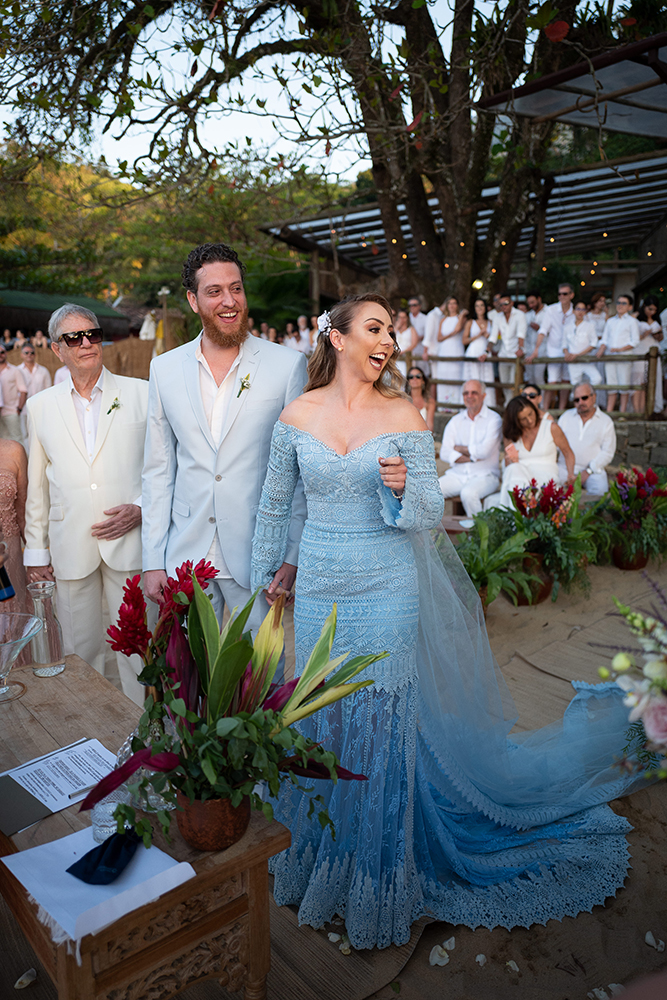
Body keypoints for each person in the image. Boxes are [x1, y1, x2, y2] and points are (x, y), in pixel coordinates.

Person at [250, 291, 646, 951]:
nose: (385, 342)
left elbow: (431, 512)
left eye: (392, 333)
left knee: (380, 717)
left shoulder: (403, 412)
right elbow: (273, 503)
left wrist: (406, 487)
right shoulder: (295, 413)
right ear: (338, 337)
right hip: (320, 587)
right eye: (373, 329)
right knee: (327, 711)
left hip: (388, 586)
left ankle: (380, 873)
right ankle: (330, 852)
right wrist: (270, 571)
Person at [142, 242, 308, 639]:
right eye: (214, 291)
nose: (229, 301)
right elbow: (159, 470)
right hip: (185, 554)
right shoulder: (163, 370)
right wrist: (152, 560)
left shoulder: (287, 366)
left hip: (259, 558)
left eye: (236, 288)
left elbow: (299, 471)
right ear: (193, 300)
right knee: (189, 685)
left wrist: (292, 554)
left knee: (261, 685)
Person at [23, 303, 148, 703]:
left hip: (129, 544)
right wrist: (35, 554)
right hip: (69, 546)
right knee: (81, 649)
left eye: (92, 334)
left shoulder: (141, 393)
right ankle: (93, 734)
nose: (86, 343)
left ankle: (144, 734)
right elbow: (37, 487)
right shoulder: (39, 407)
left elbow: (164, 467)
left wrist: (141, 506)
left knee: (137, 651)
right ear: (57, 349)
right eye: (73, 337)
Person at [490, 394, 575, 509]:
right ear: (515, 421)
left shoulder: (551, 427)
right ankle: (521, 517)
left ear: (535, 410)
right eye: (523, 419)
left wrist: (570, 474)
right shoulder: (511, 434)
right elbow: (508, 467)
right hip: (520, 478)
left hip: (545, 479)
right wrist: (512, 461)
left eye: (530, 414)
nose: (529, 420)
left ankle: (515, 520)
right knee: (514, 469)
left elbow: (568, 452)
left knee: (515, 479)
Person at [438, 379, 502, 516]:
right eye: (466, 393)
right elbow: (444, 452)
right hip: (458, 475)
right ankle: (432, 534)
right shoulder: (455, 421)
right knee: (430, 491)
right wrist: (473, 458)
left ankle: (480, 535)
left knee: (468, 494)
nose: (469, 396)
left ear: (484, 396)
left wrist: (459, 449)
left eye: (474, 393)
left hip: (485, 475)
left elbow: (484, 451)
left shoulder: (494, 419)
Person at [557, 383, 616, 495]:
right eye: (576, 400)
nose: (581, 403)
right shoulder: (565, 417)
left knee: (600, 492)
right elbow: (554, 444)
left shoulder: (606, 422)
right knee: (547, 484)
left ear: (594, 397)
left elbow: (608, 452)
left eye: (584, 398)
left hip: (592, 471)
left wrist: (588, 471)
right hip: (564, 469)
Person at [529, 283, 575, 411]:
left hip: (569, 351)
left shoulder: (576, 311)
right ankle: (545, 410)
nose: (561, 296)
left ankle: (561, 410)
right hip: (553, 350)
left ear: (571, 295)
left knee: (566, 382)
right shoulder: (552, 310)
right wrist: (536, 349)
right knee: (552, 382)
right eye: (559, 294)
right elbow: (543, 330)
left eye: (565, 294)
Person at [596, 293, 640, 414]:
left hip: (624, 358)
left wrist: (620, 350)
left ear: (630, 307)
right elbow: (604, 339)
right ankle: (610, 412)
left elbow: (635, 341)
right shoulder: (610, 321)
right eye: (619, 302)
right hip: (610, 357)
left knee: (623, 386)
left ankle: (622, 413)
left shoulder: (632, 321)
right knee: (611, 385)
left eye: (623, 303)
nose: (620, 305)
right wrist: (601, 348)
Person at [0, 436, 28, 614]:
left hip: (10, 557)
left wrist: (39, 559)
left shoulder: (14, 450)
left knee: (14, 626)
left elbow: (23, 511)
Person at [425, 295, 467, 406]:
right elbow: (439, 338)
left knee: (455, 375)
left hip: (456, 348)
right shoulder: (443, 319)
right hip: (444, 349)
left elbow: (457, 329)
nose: (452, 306)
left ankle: (455, 404)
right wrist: (449, 335)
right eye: (450, 303)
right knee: (443, 375)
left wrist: (462, 315)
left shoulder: (461, 318)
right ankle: (444, 403)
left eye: (454, 303)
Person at [487, 292, 526, 404]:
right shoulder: (497, 317)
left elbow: (521, 334)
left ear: (511, 303)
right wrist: (486, 351)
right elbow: (493, 336)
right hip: (503, 354)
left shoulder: (519, 315)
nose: (503, 306)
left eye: (506, 303)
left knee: (514, 384)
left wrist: (521, 349)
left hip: (516, 355)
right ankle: (509, 405)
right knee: (504, 384)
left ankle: (512, 405)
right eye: (501, 304)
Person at [633, 295, 664, 415]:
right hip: (640, 349)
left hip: (653, 349)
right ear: (644, 306)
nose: (652, 312)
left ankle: (650, 407)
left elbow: (661, 338)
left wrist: (657, 332)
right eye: (650, 309)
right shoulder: (635, 318)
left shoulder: (656, 320)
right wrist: (644, 334)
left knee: (651, 380)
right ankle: (637, 410)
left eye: (654, 310)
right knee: (639, 380)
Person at [18, 342, 52, 446]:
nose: (29, 355)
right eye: (26, 352)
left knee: (40, 434)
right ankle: (27, 460)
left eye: (32, 353)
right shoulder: (17, 370)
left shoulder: (43, 371)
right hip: (23, 409)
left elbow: (48, 390)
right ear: (21, 354)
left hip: (40, 409)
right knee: (24, 435)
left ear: (35, 355)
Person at [563, 300, 601, 389]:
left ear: (585, 312)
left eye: (583, 309)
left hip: (586, 359)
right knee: (575, 385)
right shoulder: (567, 327)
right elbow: (564, 344)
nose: (580, 312)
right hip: (573, 361)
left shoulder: (590, 326)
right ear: (573, 311)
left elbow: (593, 343)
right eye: (578, 309)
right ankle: (579, 400)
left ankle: (589, 396)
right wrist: (566, 353)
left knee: (597, 379)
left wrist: (578, 354)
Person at [462, 297, 493, 384]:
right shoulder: (470, 322)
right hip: (473, 351)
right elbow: (464, 341)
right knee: (474, 377)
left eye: (482, 305)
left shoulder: (491, 322)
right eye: (477, 306)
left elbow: (494, 339)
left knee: (487, 378)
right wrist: (478, 335)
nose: (479, 308)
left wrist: (488, 336)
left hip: (485, 351)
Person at [0, 344, 27, 444]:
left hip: (11, 411)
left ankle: (21, 460)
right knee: (2, 441)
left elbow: (23, 391)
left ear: (6, 353)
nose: (0, 355)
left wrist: (18, 409)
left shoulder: (15, 371)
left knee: (17, 440)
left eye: (2, 352)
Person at [524, 290, 546, 386]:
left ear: (539, 299)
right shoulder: (528, 315)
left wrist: (539, 328)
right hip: (529, 351)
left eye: (533, 302)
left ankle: (543, 400)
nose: (531, 305)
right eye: (529, 303)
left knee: (538, 377)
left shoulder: (548, 312)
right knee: (530, 378)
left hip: (542, 351)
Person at [405, 366, 435, 432]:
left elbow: (430, 427)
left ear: (423, 381)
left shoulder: (430, 402)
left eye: (418, 376)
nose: (414, 379)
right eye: (411, 377)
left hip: (424, 438)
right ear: (408, 382)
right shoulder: (404, 401)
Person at [394, 308, 419, 377]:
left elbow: (414, 344)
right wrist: (396, 328)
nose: (401, 319)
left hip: (407, 355)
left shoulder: (411, 329)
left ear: (407, 318)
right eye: (400, 317)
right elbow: (391, 339)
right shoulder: (394, 329)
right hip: (396, 356)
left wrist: (403, 352)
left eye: (403, 317)